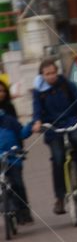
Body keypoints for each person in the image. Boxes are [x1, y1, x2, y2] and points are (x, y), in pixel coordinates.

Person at [30, 59, 77, 215]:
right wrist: (38, 122)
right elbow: (37, 111)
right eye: (47, 74)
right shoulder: (39, 92)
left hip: (71, 121)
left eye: (53, 73)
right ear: (42, 75)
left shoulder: (67, 85)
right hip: (53, 127)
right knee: (58, 159)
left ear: (57, 72)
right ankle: (59, 199)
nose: (51, 76)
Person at [0, 92, 32, 224]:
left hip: (12, 158)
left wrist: (31, 125)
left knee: (17, 184)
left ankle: (23, 211)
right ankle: (6, 207)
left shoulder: (9, 120)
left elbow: (21, 133)